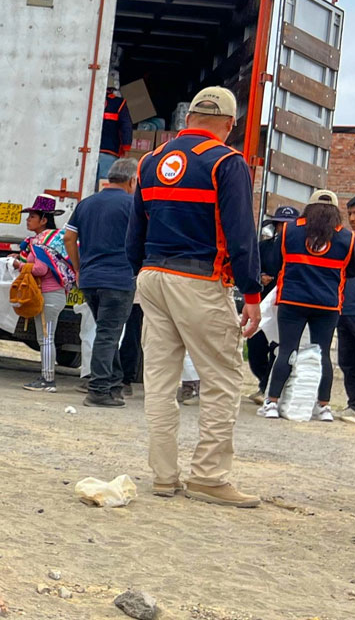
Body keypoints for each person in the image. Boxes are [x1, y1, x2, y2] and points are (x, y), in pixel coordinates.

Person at [127, 86, 262, 508]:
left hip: (151, 274)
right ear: (230, 124)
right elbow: (241, 235)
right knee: (222, 379)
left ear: (188, 121)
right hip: (200, 280)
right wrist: (253, 292)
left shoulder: (149, 162)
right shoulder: (227, 161)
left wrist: (144, 273)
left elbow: (136, 232)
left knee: (161, 382)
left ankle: (164, 477)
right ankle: (208, 476)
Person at [260, 190, 355, 422]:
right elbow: (352, 271)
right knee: (322, 354)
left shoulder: (290, 231)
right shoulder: (346, 238)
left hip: (292, 300)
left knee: (287, 350)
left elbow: (274, 263)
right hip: (327, 304)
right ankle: (323, 407)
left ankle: (272, 403)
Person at [65, 158, 137, 407]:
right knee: (108, 334)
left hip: (90, 278)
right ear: (132, 180)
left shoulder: (87, 204)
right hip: (119, 278)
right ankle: (98, 390)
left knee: (106, 330)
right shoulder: (134, 205)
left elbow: (68, 237)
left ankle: (114, 384)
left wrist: (77, 267)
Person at [17, 194, 74, 393]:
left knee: (46, 337)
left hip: (48, 293)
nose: (28, 220)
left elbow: (41, 269)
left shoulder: (43, 242)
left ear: (43, 219)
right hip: (54, 293)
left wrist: (20, 265)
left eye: (32, 216)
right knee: (45, 337)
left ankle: (48, 379)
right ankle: (46, 376)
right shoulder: (54, 239)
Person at [246, 206, 299, 405]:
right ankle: (262, 379)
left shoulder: (299, 249)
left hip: (287, 305)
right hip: (263, 303)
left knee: (279, 348)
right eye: (280, 224)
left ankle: (268, 387)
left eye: (288, 225)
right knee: (255, 345)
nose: (283, 228)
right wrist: (260, 278)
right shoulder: (263, 246)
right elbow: (252, 268)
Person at [339, 194, 355, 419]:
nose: (352, 219)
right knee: (346, 360)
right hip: (344, 309)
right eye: (350, 214)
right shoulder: (350, 242)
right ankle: (354, 403)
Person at [98, 80, 133, 182]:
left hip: (87, 152)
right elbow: (126, 127)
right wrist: (126, 149)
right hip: (109, 151)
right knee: (104, 184)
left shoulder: (89, 100)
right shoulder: (119, 103)